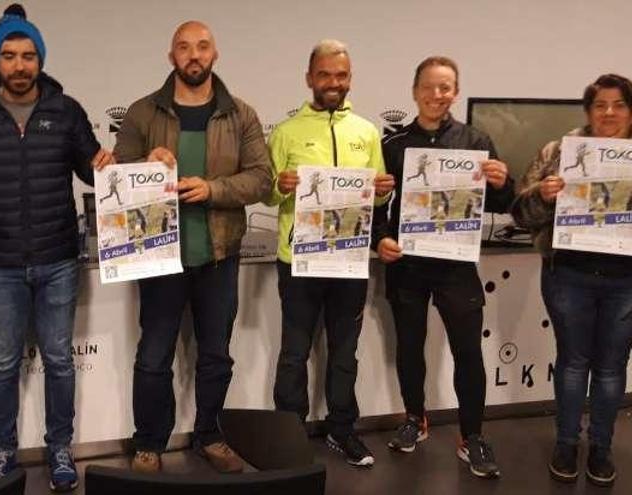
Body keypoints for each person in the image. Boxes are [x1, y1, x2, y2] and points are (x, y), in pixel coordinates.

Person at [0, 4, 112, 492]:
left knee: (59, 359)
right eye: (10, 55)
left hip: (59, 258)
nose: (20, 65)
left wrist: (110, 165)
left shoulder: (66, 110)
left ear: (41, 59)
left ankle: (61, 447)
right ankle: (2, 452)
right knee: (2, 362)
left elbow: (90, 168)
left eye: (29, 55)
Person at [113, 20, 272, 474]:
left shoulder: (241, 114)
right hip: (160, 257)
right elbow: (116, 177)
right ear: (171, 57)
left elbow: (262, 178)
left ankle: (210, 436)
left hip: (219, 256)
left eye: (202, 47)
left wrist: (214, 189)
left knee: (217, 354)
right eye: (184, 48)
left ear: (215, 54)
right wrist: (145, 164)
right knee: (153, 355)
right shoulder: (143, 113)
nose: (193, 55)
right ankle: (148, 443)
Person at [371, 56, 514, 479]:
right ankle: (416, 418)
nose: (437, 95)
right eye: (429, 87)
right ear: (415, 91)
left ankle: (472, 437)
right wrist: (381, 238)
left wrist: (504, 182)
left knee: (468, 352)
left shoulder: (476, 141)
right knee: (410, 348)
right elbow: (379, 208)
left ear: (456, 91)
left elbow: (503, 206)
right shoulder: (393, 146)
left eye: (446, 87)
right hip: (408, 267)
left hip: (456, 266)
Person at [266, 39, 394, 467]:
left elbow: (374, 202)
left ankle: (343, 430)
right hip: (298, 261)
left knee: (344, 352)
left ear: (349, 79)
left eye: (341, 75)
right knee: (294, 353)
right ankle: (289, 434)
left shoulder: (366, 132)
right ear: (310, 79)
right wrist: (278, 185)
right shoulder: (285, 132)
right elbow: (265, 191)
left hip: (349, 260)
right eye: (325, 75)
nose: (333, 82)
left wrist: (381, 192)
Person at [512, 73, 632, 488]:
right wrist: (543, 197)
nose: (609, 113)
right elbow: (518, 213)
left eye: (619, 105)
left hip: (626, 281)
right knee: (572, 363)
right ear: (588, 111)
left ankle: (601, 447)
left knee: (613, 368)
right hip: (570, 275)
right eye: (600, 105)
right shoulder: (559, 151)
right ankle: (566, 443)